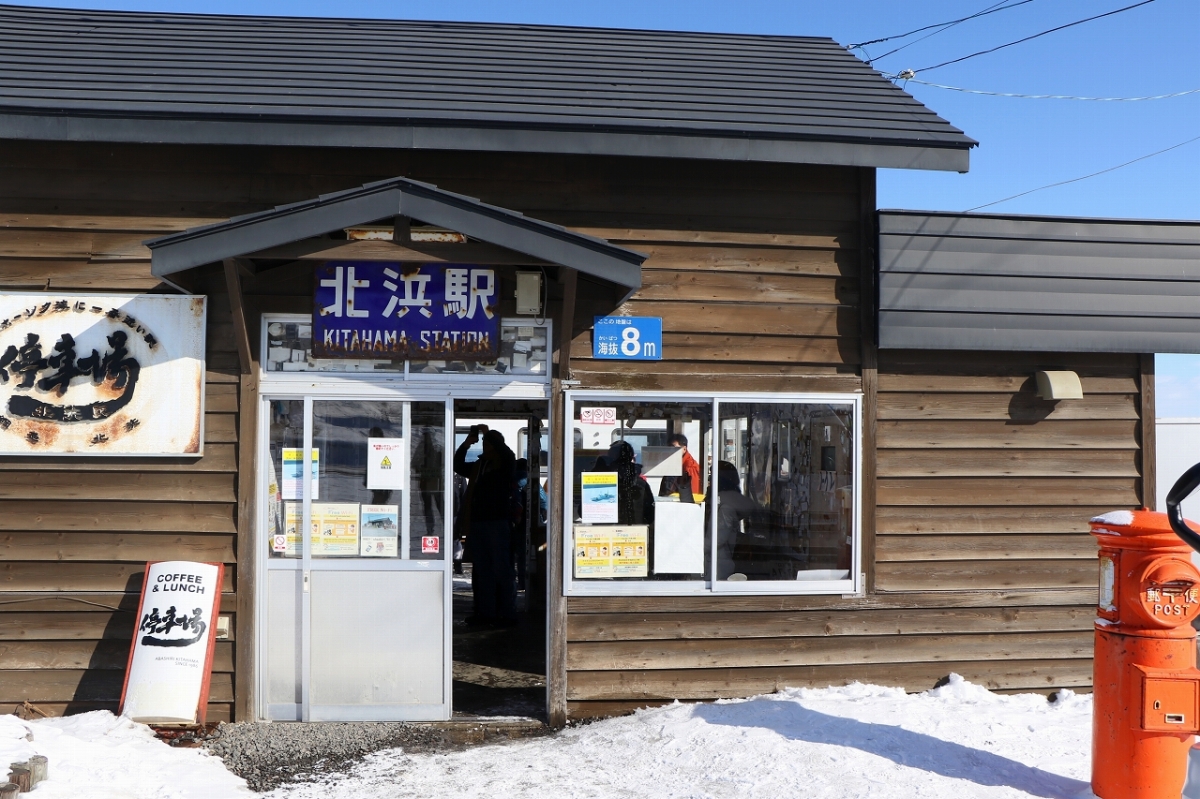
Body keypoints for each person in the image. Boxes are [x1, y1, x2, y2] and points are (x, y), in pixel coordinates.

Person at [454, 426, 518, 626]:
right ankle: (485, 613)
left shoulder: (506, 465)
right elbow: (457, 465)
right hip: (478, 523)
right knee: (482, 571)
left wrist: (487, 433)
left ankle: (506, 613)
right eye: (485, 443)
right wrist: (467, 443)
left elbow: (508, 453)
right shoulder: (478, 466)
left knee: (502, 570)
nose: (486, 446)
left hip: (498, 523)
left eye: (489, 443)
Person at [716, 460, 759, 579]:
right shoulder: (728, 500)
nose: (709, 479)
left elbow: (717, 539)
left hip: (720, 559)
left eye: (712, 475)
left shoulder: (724, 502)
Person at [594, 440, 653, 524]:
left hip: (605, 533)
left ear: (611, 459)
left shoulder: (602, 483)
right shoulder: (641, 484)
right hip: (635, 533)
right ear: (631, 457)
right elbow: (650, 513)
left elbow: (583, 511)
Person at [658, 432, 702, 503]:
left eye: (674, 447)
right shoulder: (673, 464)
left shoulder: (690, 468)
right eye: (669, 448)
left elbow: (693, 495)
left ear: (684, 449)